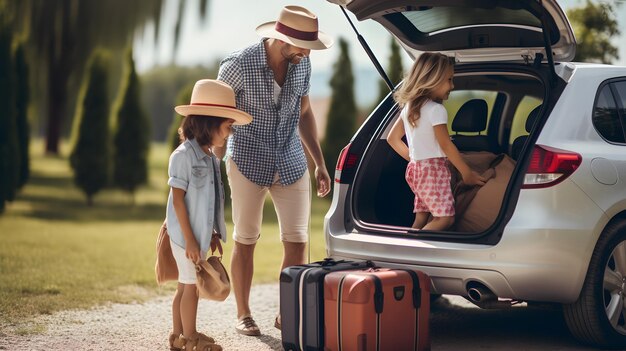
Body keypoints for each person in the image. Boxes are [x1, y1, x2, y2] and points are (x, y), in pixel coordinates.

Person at [215, 5, 333, 336]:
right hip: (247, 160)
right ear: (282, 39)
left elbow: (304, 112)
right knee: (246, 237)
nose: (307, 52)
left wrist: (319, 162)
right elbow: (218, 118)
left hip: (291, 159)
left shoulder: (302, 63)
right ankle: (243, 314)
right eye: (303, 45)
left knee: (297, 240)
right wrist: (212, 167)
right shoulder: (237, 65)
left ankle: (287, 313)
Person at [166, 79, 252, 351]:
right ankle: (190, 338)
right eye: (227, 126)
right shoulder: (183, 156)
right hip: (183, 236)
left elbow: (209, 201)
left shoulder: (210, 157)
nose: (229, 133)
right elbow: (177, 201)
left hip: (197, 235)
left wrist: (213, 232)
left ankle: (179, 336)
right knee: (190, 287)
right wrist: (191, 240)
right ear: (208, 122)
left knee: (185, 285)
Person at [387, 52, 487, 231]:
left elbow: (392, 139)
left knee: (421, 218)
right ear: (433, 79)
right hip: (433, 172)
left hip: (416, 171)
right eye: (449, 79)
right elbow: (446, 145)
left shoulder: (409, 107)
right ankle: (416, 251)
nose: (452, 85)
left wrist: (415, 160)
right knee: (445, 219)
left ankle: (406, 248)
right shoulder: (436, 110)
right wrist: (467, 173)